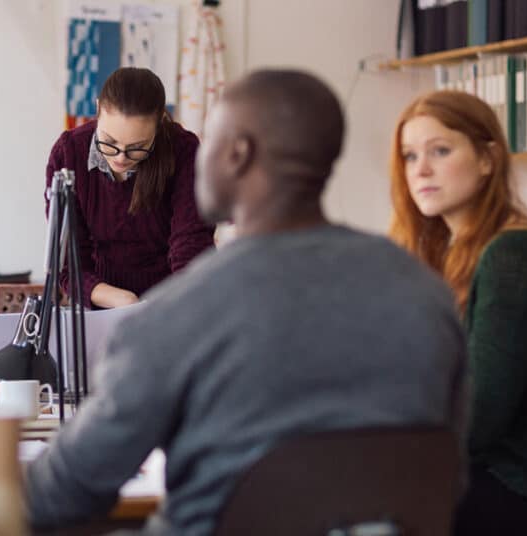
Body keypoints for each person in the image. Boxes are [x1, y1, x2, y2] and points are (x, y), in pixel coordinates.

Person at [24, 70, 467, 536]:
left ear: (236, 154)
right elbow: (448, 468)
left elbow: (60, 492)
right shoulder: (426, 295)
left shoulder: (172, 317)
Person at [389, 90, 527, 535]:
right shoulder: (455, 254)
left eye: (440, 151)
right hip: (496, 477)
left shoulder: (515, 254)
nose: (422, 170)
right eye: (410, 156)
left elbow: (478, 420)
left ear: (488, 159)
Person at [45, 67, 215, 309]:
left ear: (159, 125)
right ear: (97, 110)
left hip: (172, 301)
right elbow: (67, 261)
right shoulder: (68, 153)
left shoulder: (184, 151)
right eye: (109, 142)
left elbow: (191, 244)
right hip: (101, 306)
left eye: (137, 147)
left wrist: (175, 306)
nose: (121, 158)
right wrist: (120, 299)